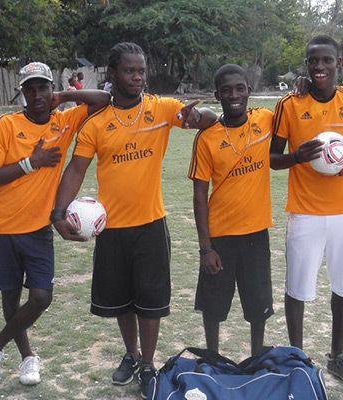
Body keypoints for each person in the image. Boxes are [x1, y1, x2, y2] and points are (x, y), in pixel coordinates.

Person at [51, 42, 216, 398]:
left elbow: (207, 118)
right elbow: (76, 169)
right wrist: (57, 213)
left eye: (141, 71)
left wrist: (199, 117)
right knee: (122, 301)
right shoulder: (96, 123)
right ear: (112, 73)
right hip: (110, 227)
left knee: (150, 301)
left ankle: (148, 364)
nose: (137, 77)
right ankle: (132, 353)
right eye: (129, 70)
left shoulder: (161, 109)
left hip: (151, 224)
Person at [0, 62, 110, 386]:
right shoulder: (7, 124)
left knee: (41, 297)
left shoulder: (64, 121)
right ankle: (27, 357)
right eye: (30, 89)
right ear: (22, 93)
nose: (37, 95)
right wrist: (31, 162)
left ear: (52, 90)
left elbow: (104, 100)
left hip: (38, 229)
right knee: (10, 299)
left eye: (43, 88)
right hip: (5, 227)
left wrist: (65, 95)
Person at [269, 34, 343, 387]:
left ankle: (337, 355)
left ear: (339, 62)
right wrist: (297, 157)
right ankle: (297, 358)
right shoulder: (290, 104)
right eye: (313, 61)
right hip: (305, 212)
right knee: (297, 287)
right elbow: (273, 158)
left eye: (326, 60)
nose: (319, 67)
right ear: (307, 64)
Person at [189, 64, 274, 357]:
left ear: (249, 90)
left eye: (239, 88)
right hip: (220, 237)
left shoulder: (265, 120)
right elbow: (199, 195)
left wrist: (302, 86)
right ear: (217, 95)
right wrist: (205, 248)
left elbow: (293, 115)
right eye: (226, 91)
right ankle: (213, 357)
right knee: (213, 306)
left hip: (256, 234)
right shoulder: (207, 138)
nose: (234, 95)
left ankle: (256, 356)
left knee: (258, 305)